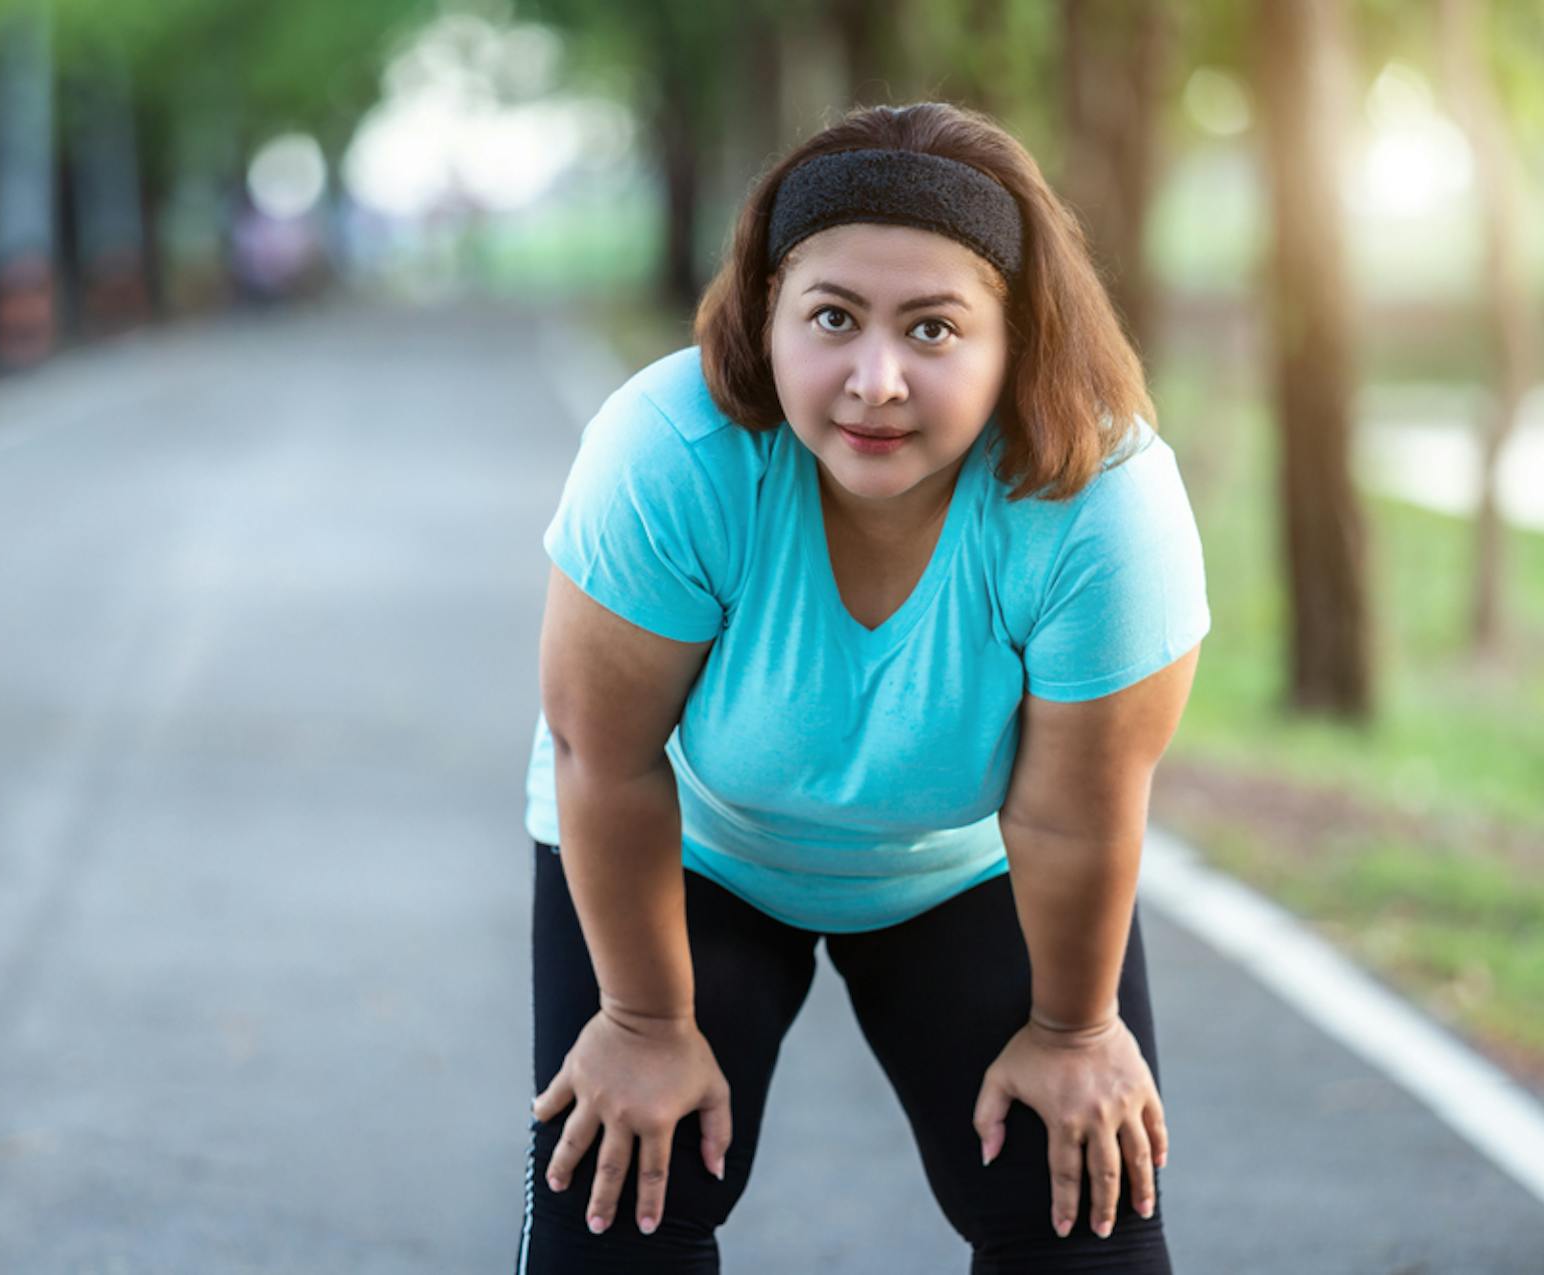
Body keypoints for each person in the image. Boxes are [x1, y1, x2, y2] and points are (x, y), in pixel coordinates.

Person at [514, 100, 1209, 1274]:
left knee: (1084, 1215)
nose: (874, 381)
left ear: (1016, 341)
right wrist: (642, 1023)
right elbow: (604, 754)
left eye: (934, 330)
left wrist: (1077, 1030)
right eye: (832, 318)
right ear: (767, 317)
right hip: (692, 848)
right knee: (621, 1200)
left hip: (964, 865)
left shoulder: (1103, 499)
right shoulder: (672, 450)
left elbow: (1074, 810)